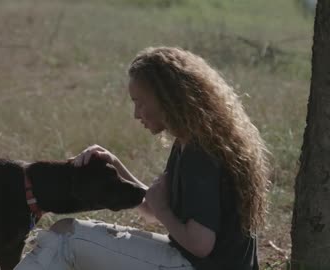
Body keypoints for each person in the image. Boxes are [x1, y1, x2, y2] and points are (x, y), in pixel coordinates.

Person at [14, 46, 270, 270]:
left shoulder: (199, 155)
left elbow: (200, 244)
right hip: (191, 261)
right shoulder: (191, 141)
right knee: (65, 230)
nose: (137, 114)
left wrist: (163, 209)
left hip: (196, 264)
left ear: (166, 99)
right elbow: (153, 210)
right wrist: (115, 163)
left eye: (140, 102)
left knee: (65, 239)